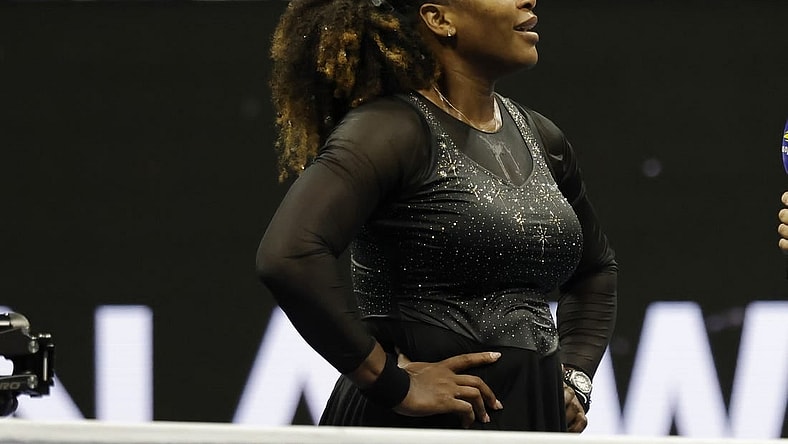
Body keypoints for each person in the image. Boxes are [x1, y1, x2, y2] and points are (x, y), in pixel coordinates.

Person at [257, 0, 617, 433]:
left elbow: (596, 270)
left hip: (528, 413)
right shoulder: (389, 130)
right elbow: (289, 255)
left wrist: (575, 379)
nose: (527, 0)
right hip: (416, 424)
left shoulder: (543, 137)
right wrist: (390, 382)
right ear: (439, 19)